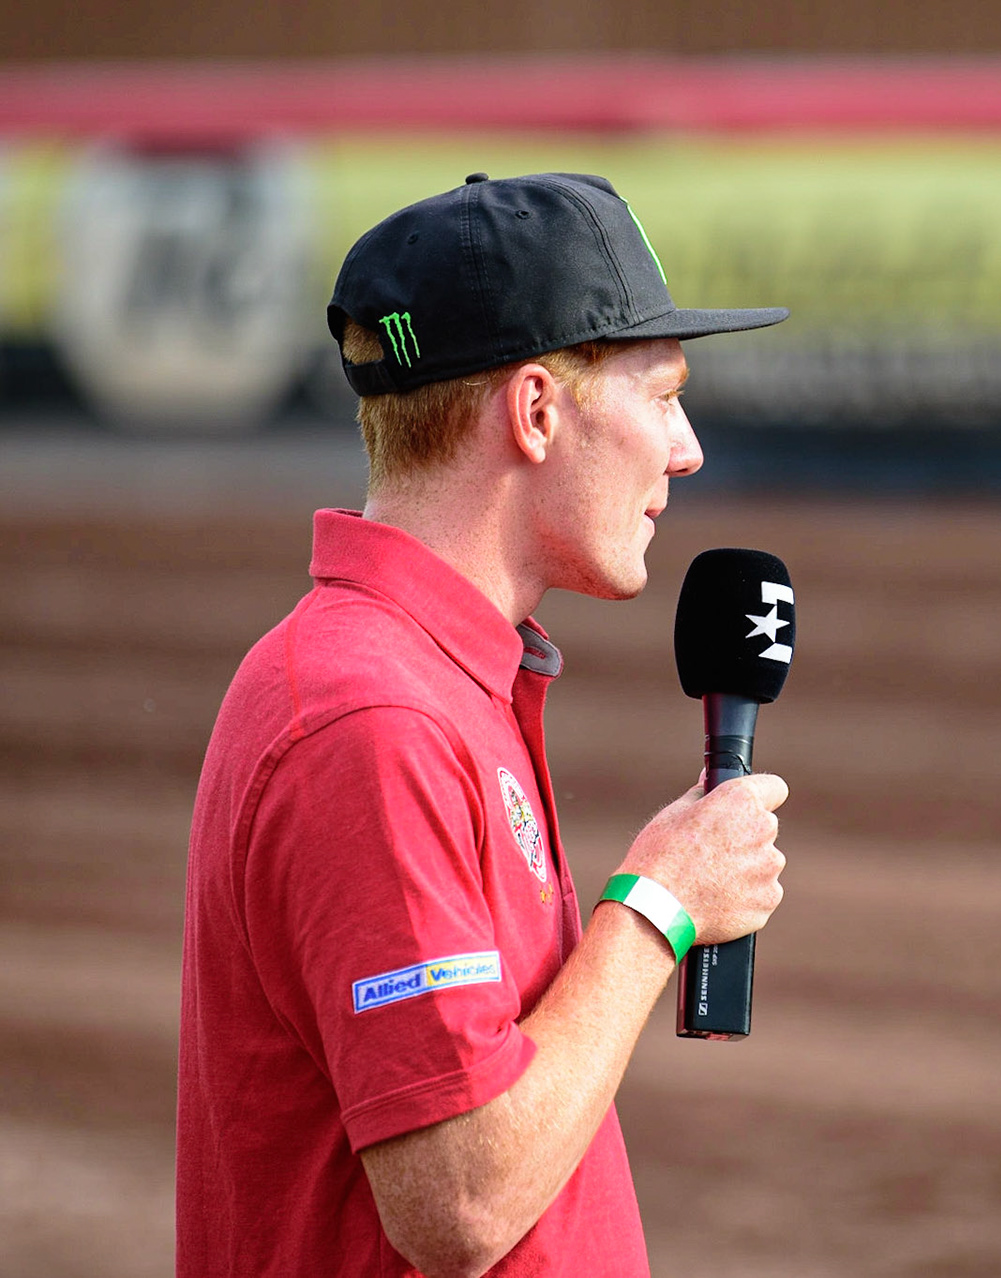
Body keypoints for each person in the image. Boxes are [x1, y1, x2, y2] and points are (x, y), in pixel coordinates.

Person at [178, 172, 792, 1276]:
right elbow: (459, 1200)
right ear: (538, 411)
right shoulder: (370, 719)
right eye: (661, 395)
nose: (687, 447)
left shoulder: (425, 680)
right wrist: (659, 906)